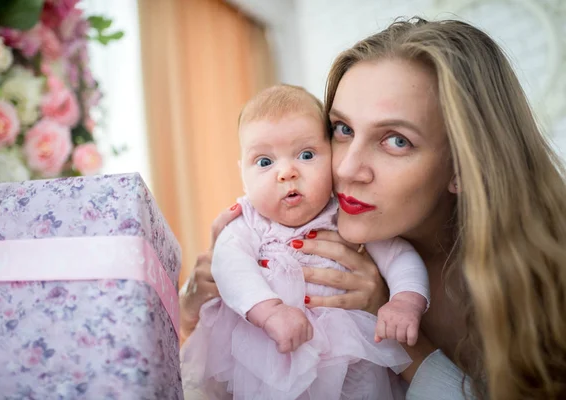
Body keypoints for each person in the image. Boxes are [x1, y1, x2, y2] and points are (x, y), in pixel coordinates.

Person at [180, 17, 566, 400]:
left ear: (463, 167)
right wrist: (194, 307)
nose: (347, 169)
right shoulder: (275, 229)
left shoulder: (543, 288)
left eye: (396, 141)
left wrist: (384, 314)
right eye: (343, 130)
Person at [180, 84, 431, 400]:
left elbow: (398, 255)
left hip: (346, 353)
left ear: (331, 157)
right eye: (264, 162)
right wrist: (270, 312)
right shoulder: (247, 223)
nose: (287, 172)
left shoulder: (346, 215)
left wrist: (405, 302)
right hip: (267, 353)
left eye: (307, 154)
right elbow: (230, 266)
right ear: (242, 173)